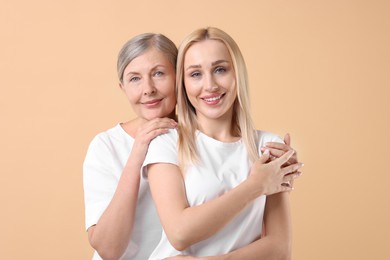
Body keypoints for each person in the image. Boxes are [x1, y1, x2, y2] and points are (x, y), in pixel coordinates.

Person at [143, 27, 304, 259]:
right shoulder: (166, 144)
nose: (210, 85)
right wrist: (255, 185)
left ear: (237, 74)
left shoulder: (268, 146)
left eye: (220, 70)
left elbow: (280, 250)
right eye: (195, 74)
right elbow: (179, 233)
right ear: (184, 84)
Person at [83, 33, 178, 260]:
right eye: (135, 79)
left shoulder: (203, 138)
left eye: (158, 73)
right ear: (122, 87)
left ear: (179, 76)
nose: (148, 89)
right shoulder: (106, 146)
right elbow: (108, 249)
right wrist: (137, 154)